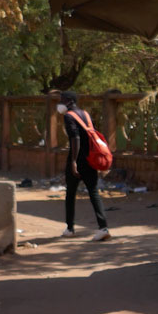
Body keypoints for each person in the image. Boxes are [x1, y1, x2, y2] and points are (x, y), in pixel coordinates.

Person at [57, 91, 110, 241]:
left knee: (71, 193)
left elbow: (75, 139)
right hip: (91, 158)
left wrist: (73, 161)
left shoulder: (68, 116)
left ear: (69, 101)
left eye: (62, 100)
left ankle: (70, 228)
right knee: (93, 192)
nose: (60, 103)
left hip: (78, 159)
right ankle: (103, 227)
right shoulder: (85, 114)